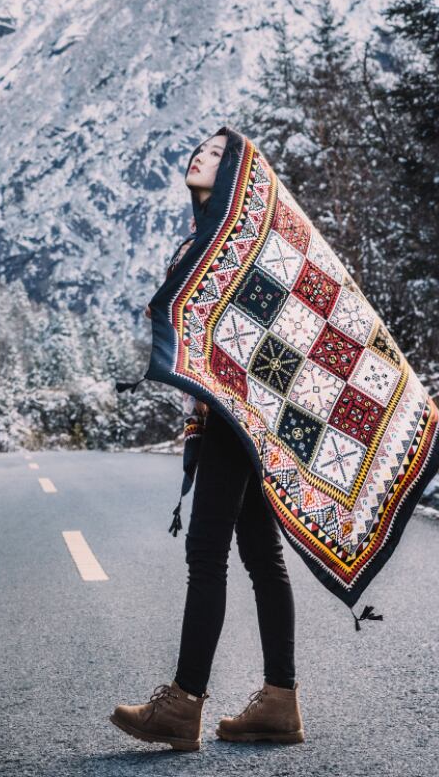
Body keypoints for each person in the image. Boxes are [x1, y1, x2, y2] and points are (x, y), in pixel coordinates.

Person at [109, 133, 303, 752]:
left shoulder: (238, 242)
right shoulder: (204, 240)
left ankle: (184, 703)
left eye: (218, 152)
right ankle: (280, 702)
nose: (200, 155)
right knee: (260, 559)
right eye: (199, 148)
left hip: (235, 415)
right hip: (231, 416)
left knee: (206, 553)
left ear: (241, 172)